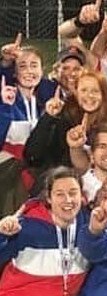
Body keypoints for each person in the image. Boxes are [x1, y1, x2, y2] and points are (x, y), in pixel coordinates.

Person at [0, 166, 90, 296]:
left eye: (73, 193)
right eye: (60, 194)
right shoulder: (26, 227)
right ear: (48, 198)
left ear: (81, 196)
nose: (68, 200)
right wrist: (2, 235)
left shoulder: (88, 225)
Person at [0, 45, 57, 215]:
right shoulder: (6, 98)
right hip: (8, 176)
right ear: (14, 73)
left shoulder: (46, 102)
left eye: (34, 65)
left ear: (42, 70)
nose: (29, 71)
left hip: (40, 174)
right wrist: (5, 108)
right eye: (22, 66)